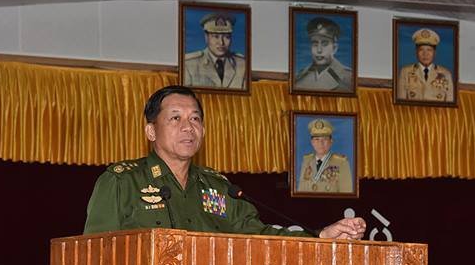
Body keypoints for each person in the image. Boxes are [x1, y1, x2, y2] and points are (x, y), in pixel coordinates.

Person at [84, 85, 366, 239]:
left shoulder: (219, 188)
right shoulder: (122, 182)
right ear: (151, 131)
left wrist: (321, 236)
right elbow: (93, 256)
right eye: (175, 118)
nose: (188, 127)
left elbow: (260, 235)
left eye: (195, 119)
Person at [183, 13, 247, 90]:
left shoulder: (242, 64)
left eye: (226, 37)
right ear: (206, 37)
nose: (221, 43)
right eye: (216, 36)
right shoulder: (189, 64)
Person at [293, 17, 353, 93]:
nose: (319, 50)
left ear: (334, 48)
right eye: (315, 44)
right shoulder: (299, 77)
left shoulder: (348, 78)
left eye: (325, 44)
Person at [397, 28, 454, 102]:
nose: (425, 54)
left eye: (429, 50)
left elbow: (449, 103)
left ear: (435, 53)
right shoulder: (405, 72)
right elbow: (401, 103)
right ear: (416, 52)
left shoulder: (446, 74)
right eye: (421, 50)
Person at [297, 118, 353, 194]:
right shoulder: (306, 161)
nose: (321, 143)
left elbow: (346, 194)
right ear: (312, 142)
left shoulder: (341, 163)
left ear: (331, 142)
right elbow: (301, 191)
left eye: (325, 139)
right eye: (317, 139)